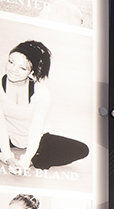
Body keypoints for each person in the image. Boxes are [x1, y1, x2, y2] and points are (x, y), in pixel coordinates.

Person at [0, 40, 89, 173]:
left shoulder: (41, 93)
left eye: (22, 68)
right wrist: (7, 157)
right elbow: (1, 124)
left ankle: (35, 160)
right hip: (7, 135)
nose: (13, 70)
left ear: (32, 71)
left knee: (81, 149)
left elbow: (36, 129)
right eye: (11, 62)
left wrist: (26, 160)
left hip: (37, 139)